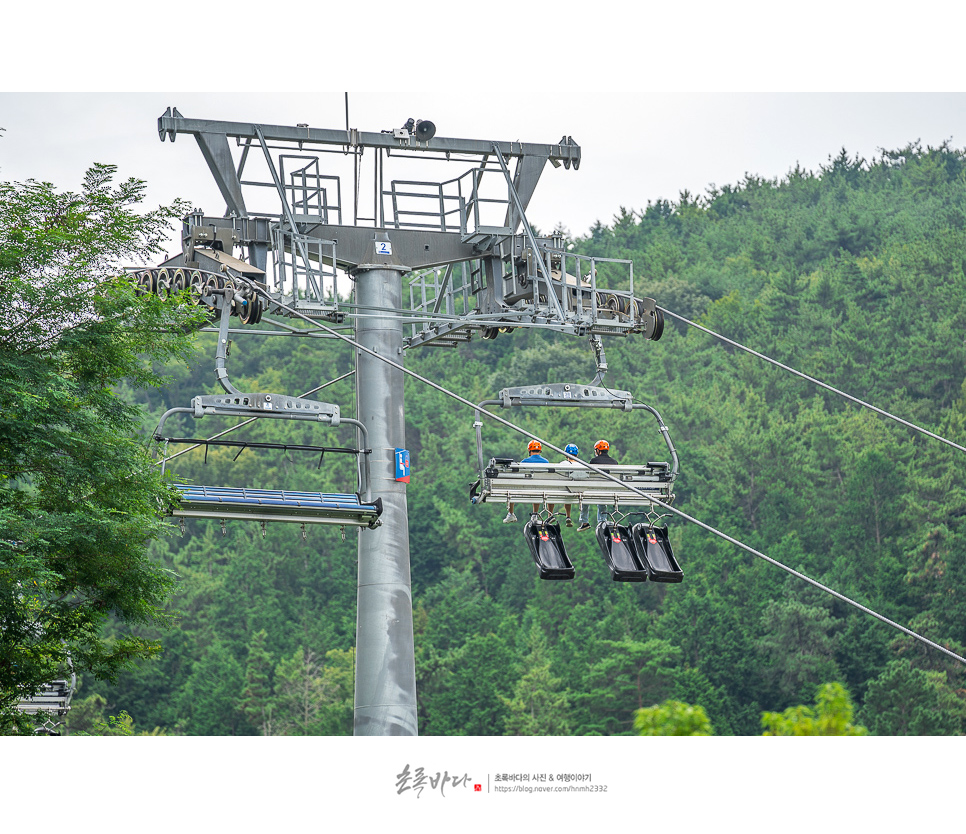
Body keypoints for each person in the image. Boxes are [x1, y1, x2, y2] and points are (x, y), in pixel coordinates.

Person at [578, 439, 619, 530]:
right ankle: (602, 521)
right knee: (602, 499)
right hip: (610, 488)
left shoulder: (594, 461)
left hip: (595, 487)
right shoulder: (614, 462)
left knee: (585, 498)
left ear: (598, 450)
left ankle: (584, 521)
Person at [504, 440, 548, 523]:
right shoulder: (546, 462)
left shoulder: (525, 462)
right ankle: (535, 514)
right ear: (540, 450)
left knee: (511, 487)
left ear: (529, 450)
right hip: (541, 488)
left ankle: (511, 513)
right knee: (538, 487)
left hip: (526, 488)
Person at [549, 443, 580, 527]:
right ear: (576, 454)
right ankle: (568, 516)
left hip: (563, 489)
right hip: (578, 490)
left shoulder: (563, 463)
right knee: (569, 491)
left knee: (552, 491)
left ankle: (550, 515)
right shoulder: (580, 465)